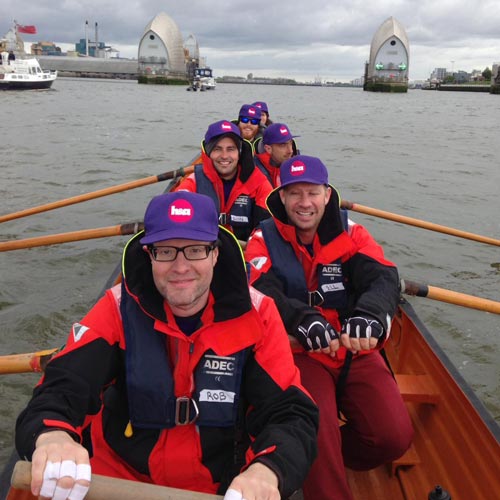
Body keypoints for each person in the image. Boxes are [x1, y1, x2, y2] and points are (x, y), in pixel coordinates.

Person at [15, 191, 319, 500]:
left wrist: (266, 470)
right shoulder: (116, 308)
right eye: (165, 251)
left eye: (195, 250)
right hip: (118, 483)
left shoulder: (259, 315)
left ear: (215, 253)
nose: (181, 266)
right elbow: (63, 386)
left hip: (217, 488)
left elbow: (289, 413)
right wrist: (53, 435)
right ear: (149, 256)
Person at [245, 156, 414, 500]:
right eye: (294, 194)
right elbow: (260, 288)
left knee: (393, 437)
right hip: (299, 352)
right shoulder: (263, 238)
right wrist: (301, 318)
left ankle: (314, 458)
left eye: (312, 193)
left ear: (327, 195)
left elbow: (383, 277)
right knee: (316, 428)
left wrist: (370, 313)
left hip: (353, 349)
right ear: (281, 197)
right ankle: (318, 461)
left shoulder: (353, 233)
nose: (304, 203)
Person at [174, 120, 272, 248]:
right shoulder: (193, 182)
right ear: (209, 153)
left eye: (231, 149)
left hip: (244, 255)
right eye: (217, 149)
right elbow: (176, 211)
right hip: (203, 252)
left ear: (239, 152)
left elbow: (267, 229)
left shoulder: (259, 183)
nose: (225, 156)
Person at [254, 122, 300, 187]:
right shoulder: (255, 174)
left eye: (290, 143)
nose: (290, 151)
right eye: (283, 145)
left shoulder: (297, 166)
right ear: (268, 149)